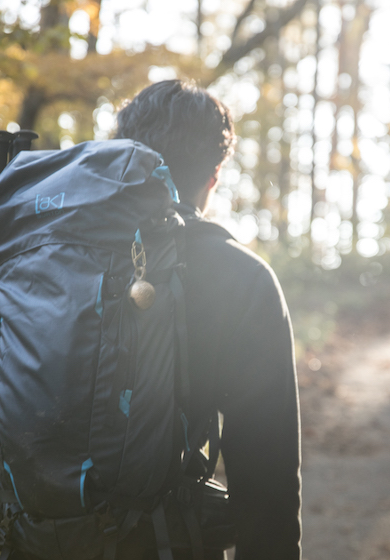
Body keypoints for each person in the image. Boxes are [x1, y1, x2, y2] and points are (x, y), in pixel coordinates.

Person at [113, 80, 302, 559]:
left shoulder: (50, 258)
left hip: (30, 539)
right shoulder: (242, 279)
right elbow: (266, 479)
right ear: (213, 176)